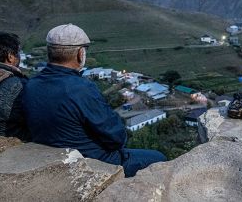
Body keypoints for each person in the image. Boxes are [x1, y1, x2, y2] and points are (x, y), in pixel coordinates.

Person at [22, 24, 166, 177]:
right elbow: (116, 138)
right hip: (90, 161)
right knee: (158, 158)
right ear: (80, 54)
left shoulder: (31, 84)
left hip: (50, 157)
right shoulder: (81, 88)